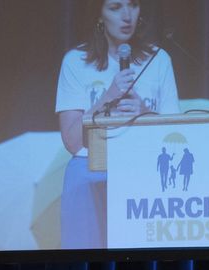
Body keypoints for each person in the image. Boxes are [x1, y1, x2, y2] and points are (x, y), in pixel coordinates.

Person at [56, 0, 180, 249]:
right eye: (115, 7)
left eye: (133, 6)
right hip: (88, 172)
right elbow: (71, 141)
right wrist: (107, 97)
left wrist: (144, 113)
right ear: (99, 15)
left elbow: (176, 133)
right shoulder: (75, 62)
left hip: (142, 172)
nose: (127, 16)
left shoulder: (158, 60)